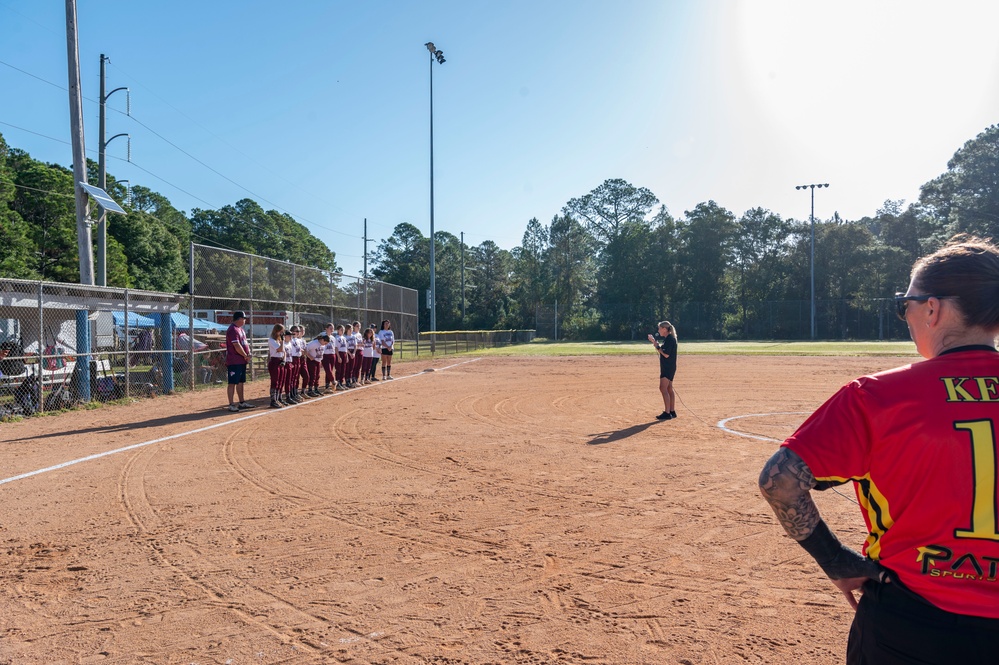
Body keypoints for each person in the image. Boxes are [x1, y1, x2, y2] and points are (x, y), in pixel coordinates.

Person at [758, 235, 999, 664]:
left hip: (911, 620)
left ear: (932, 308)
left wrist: (835, 561)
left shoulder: (877, 396)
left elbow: (780, 481)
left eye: (904, 302)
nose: (904, 314)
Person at [225, 311, 256, 412]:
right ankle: (231, 404)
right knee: (232, 382)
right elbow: (237, 346)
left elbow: (245, 343)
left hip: (242, 361)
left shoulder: (240, 329)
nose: (245, 320)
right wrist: (245, 355)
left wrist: (249, 353)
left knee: (240, 382)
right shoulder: (232, 329)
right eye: (244, 318)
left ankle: (242, 402)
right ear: (239, 319)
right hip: (234, 361)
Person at [647, 321, 677, 420]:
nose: (658, 330)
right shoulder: (669, 339)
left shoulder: (670, 339)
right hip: (669, 366)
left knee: (663, 388)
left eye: (659, 328)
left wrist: (656, 346)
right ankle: (672, 411)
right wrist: (655, 343)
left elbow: (666, 354)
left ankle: (667, 413)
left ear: (664, 329)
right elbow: (664, 351)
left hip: (667, 367)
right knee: (669, 389)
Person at [267, 323, 286, 408]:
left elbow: (284, 352)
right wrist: (282, 341)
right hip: (274, 361)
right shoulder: (271, 340)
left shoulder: (278, 340)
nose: (282, 333)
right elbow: (280, 349)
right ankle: (273, 400)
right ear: (276, 331)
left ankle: (278, 398)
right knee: (275, 381)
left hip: (280, 361)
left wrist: (284, 360)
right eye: (280, 332)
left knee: (280, 381)